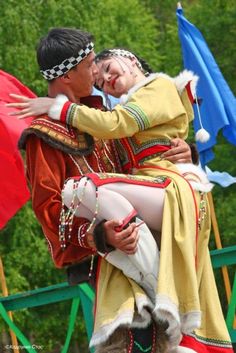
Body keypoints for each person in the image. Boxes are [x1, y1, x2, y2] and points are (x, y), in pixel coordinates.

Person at [9, 32, 233, 353]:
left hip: (151, 239)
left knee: (168, 343)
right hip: (108, 263)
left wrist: (183, 153)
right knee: (130, 343)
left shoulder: (103, 117)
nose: (97, 74)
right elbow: (50, 212)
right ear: (70, 74)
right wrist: (101, 234)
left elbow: (139, 166)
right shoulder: (43, 135)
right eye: (90, 66)